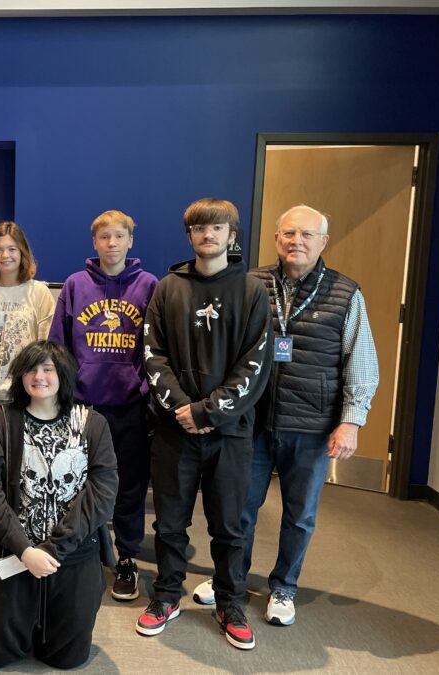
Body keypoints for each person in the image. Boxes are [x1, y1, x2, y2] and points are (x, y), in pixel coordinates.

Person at [192, 204, 379, 627]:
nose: (297, 242)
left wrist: (351, 420)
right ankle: (229, 582)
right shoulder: (250, 283)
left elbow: (362, 362)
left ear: (323, 242)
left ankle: (284, 588)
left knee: (300, 515)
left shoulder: (345, 293)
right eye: (289, 234)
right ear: (277, 238)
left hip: (310, 426)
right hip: (252, 422)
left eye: (307, 235)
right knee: (238, 508)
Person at [138, 198, 271, 651]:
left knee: (230, 526)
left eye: (217, 228)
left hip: (231, 435)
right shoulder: (166, 288)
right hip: (174, 431)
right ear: (190, 236)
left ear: (232, 236)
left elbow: (255, 365)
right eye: (199, 228)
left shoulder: (253, 291)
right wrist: (181, 408)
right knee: (170, 524)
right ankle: (167, 595)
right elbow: (152, 354)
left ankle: (230, 602)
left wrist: (206, 412)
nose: (208, 235)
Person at [0, 340, 118, 669]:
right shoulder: (1, 423)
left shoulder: (91, 424)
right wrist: (25, 551)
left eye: (48, 369)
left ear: (62, 375)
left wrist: (53, 551)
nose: (39, 376)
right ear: (20, 376)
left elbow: (103, 492)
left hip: (73, 554)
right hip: (12, 553)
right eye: (31, 369)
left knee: (66, 659)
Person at [48, 209, 157, 601]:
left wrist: (146, 390)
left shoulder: (149, 285)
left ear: (131, 241)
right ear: (94, 243)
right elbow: (58, 345)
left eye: (119, 236)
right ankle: (81, 546)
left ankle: (127, 556)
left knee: (129, 486)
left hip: (130, 405)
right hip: (83, 405)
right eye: (104, 237)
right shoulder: (76, 285)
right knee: (76, 482)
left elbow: (156, 348)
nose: (111, 243)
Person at [0, 221, 55, 410]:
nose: (5, 255)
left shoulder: (39, 293)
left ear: (22, 251)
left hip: (26, 396)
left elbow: (46, 348)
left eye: (12, 249)